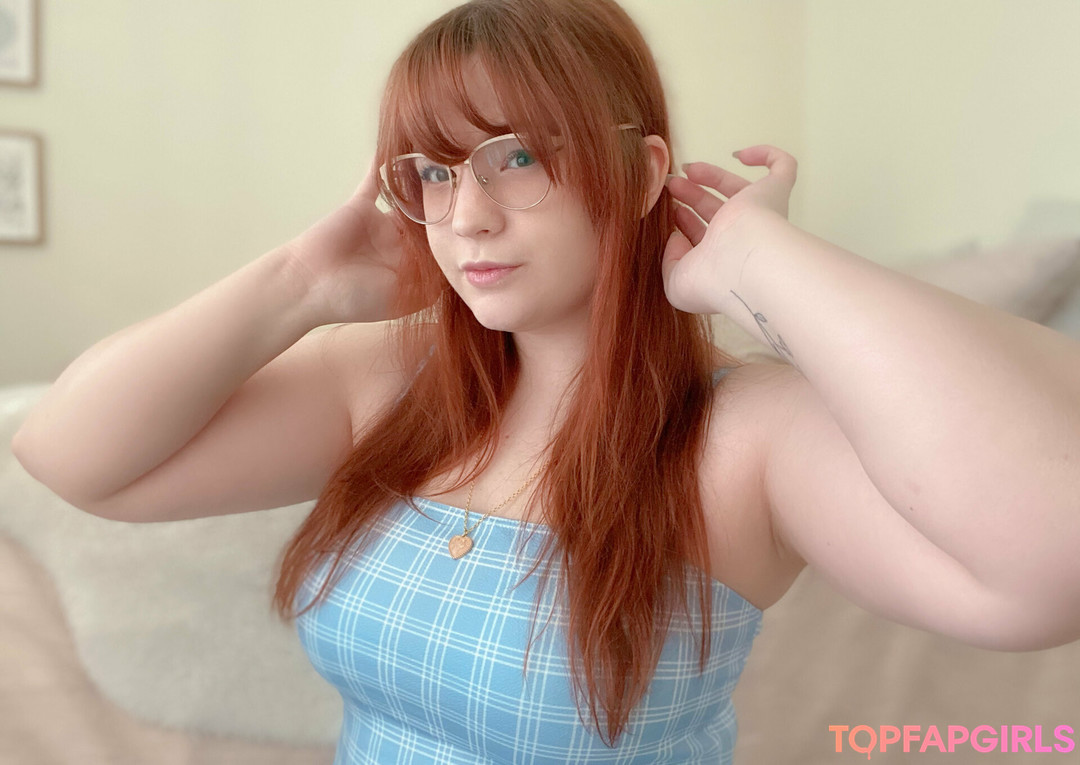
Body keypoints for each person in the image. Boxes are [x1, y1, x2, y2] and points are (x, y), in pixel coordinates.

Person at [11, 0, 1080, 762]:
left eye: (516, 156)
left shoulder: (740, 435)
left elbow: (1051, 558)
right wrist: (299, 283)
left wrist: (768, 265)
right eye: (433, 172)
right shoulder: (394, 380)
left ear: (639, 171)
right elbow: (67, 454)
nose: (466, 217)